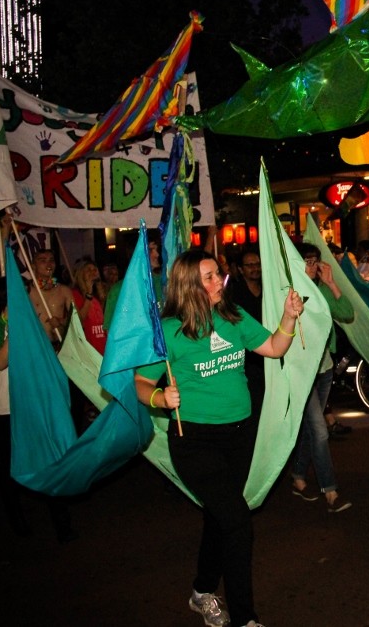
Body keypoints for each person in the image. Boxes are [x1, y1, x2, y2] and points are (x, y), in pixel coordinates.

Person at [134, 250, 305, 627]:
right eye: (208, 278)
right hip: (194, 440)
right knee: (237, 521)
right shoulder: (167, 330)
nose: (218, 282)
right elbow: (141, 383)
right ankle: (245, 618)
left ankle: (201, 591)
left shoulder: (234, 317)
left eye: (217, 275)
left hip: (240, 436)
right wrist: (160, 397)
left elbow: (275, 347)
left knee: (219, 516)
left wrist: (288, 318)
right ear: (188, 286)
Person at [0, 277, 77, 542]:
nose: (31, 300)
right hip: (6, 411)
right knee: (11, 468)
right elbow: (0, 362)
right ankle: (18, 521)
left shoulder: (34, 325)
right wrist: (15, 330)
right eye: (24, 294)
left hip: (34, 407)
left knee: (49, 462)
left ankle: (62, 525)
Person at [289, 242, 354, 513]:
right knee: (319, 431)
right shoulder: (290, 294)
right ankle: (331, 491)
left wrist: (331, 283)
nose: (313, 266)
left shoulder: (320, 292)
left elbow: (348, 313)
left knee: (311, 431)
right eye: (307, 260)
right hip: (302, 374)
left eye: (315, 260)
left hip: (324, 370)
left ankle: (297, 476)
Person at [226, 246, 266, 442]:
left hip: (268, 354)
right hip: (246, 360)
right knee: (254, 405)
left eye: (257, 264)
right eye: (250, 265)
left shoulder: (269, 290)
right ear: (240, 269)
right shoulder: (234, 294)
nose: (255, 268)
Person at [105, 239, 163, 332]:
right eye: (151, 250)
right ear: (137, 254)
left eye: (156, 249)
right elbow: (111, 331)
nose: (157, 254)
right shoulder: (119, 290)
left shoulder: (164, 283)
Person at [26, 248, 74, 348]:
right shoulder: (26, 291)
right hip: (36, 346)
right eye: (43, 261)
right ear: (33, 266)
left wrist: (61, 321)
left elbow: (76, 320)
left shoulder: (64, 290)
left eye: (51, 260)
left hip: (59, 346)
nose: (49, 264)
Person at [70, 257, 108, 355]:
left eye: (94, 270)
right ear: (80, 274)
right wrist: (89, 293)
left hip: (102, 346)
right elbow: (80, 318)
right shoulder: (74, 294)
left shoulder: (96, 297)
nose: (92, 272)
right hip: (89, 349)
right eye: (88, 270)